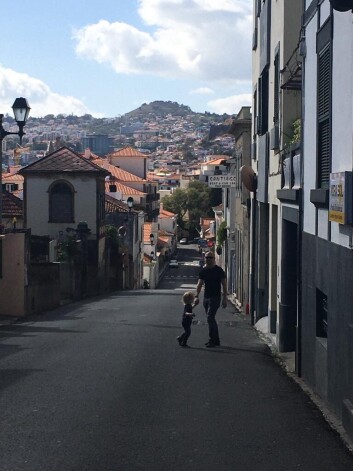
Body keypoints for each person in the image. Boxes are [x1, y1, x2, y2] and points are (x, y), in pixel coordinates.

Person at [194, 251, 227, 348]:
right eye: (207, 258)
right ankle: (216, 340)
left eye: (210, 258)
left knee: (210, 318)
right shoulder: (203, 271)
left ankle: (212, 340)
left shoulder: (219, 270)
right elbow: (199, 284)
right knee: (211, 319)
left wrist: (224, 298)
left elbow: (224, 285)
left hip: (215, 297)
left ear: (214, 259)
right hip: (206, 297)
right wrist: (196, 296)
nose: (208, 259)